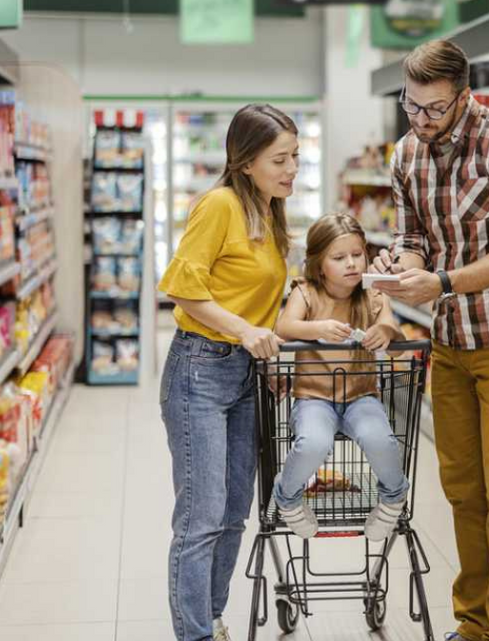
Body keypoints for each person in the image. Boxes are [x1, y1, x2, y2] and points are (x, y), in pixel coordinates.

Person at [372, 39, 489, 641]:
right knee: (463, 489)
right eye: (411, 106)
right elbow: (415, 232)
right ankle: (471, 624)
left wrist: (442, 280)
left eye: (435, 109)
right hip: (449, 339)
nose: (421, 121)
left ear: (464, 96)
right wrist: (402, 261)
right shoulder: (406, 154)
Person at [158, 104, 295, 641]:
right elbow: (183, 289)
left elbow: (260, 302)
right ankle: (193, 633)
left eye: (295, 158)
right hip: (200, 370)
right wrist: (242, 331)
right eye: (280, 159)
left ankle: (212, 617)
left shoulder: (270, 210)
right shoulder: (219, 205)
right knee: (201, 515)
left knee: (236, 510)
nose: (291, 170)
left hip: (246, 375)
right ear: (245, 161)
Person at [270, 213, 409, 541]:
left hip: (362, 396)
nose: (351, 264)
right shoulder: (306, 293)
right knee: (312, 443)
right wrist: (316, 329)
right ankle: (288, 497)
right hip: (313, 398)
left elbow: (398, 343)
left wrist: (385, 330)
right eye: (339, 257)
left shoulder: (373, 295)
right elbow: (284, 327)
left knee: (382, 441)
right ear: (319, 265)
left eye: (357, 254)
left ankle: (392, 498)